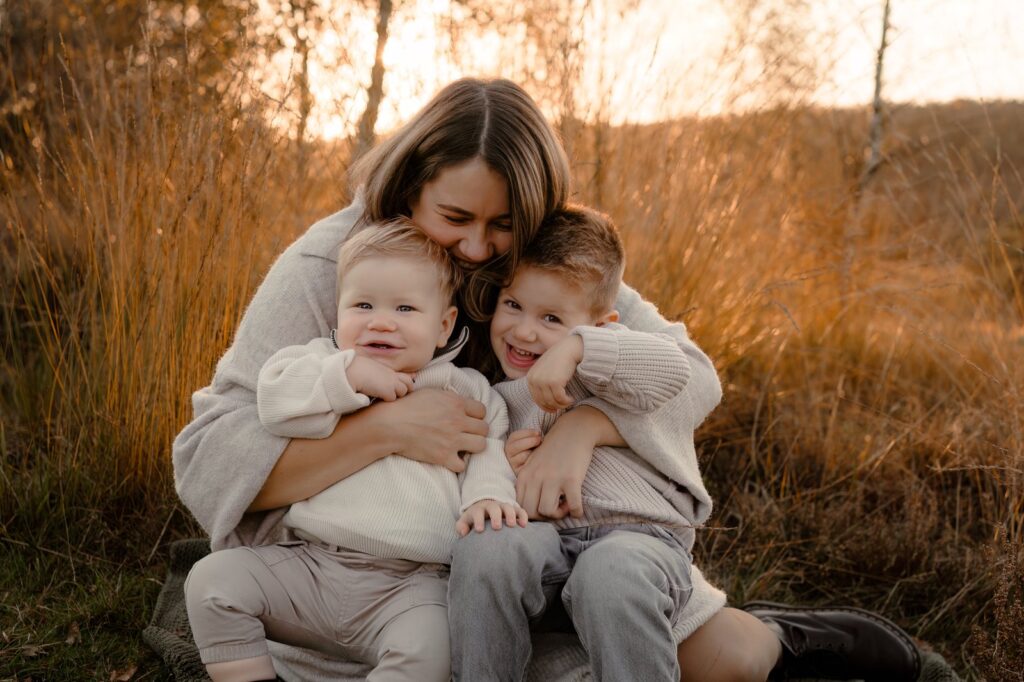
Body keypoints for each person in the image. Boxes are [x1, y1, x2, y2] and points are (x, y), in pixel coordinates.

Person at [172, 77, 920, 681]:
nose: (476, 247)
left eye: (502, 224)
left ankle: (781, 639)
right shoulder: (337, 265)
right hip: (381, 574)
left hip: (538, 545)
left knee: (717, 659)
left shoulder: (540, 260)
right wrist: (388, 428)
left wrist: (584, 429)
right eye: (455, 216)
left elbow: (688, 375)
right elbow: (208, 456)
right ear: (409, 188)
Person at [450, 206, 921, 682]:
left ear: (605, 323)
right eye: (513, 306)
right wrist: (506, 471)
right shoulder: (495, 393)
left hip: (634, 541)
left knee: (612, 576)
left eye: (551, 318)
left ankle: (784, 642)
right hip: (549, 544)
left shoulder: (611, 359)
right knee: (486, 551)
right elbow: (483, 469)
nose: (525, 331)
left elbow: (675, 369)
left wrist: (580, 348)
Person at [184, 221, 527, 682]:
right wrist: (347, 378)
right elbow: (275, 403)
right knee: (211, 582)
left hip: (410, 584)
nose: (381, 321)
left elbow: (489, 451)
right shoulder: (318, 364)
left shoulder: (465, 389)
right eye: (363, 305)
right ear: (338, 312)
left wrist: (488, 496)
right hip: (310, 564)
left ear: (444, 325)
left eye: (405, 308)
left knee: (434, 647)